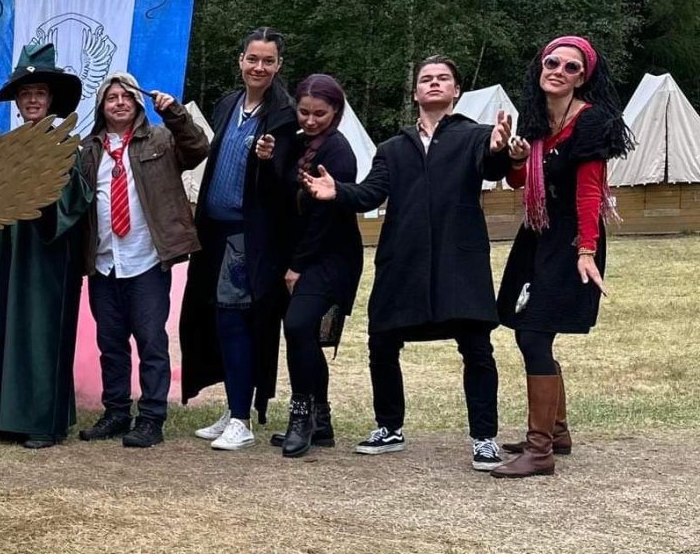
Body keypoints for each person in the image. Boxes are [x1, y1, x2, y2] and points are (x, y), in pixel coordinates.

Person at [302, 55, 516, 471]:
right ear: (416, 92)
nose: (434, 83)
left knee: (476, 348)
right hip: (403, 259)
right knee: (381, 341)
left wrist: (499, 149)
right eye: (426, 79)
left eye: (443, 78)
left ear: (455, 90)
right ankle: (389, 427)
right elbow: (370, 193)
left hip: (459, 261)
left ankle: (484, 438)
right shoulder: (392, 148)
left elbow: (493, 166)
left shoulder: (476, 136)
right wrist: (337, 191)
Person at [492, 36, 632, 478]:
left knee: (534, 335)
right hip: (537, 231)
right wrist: (516, 159)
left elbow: (591, 191)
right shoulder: (535, 119)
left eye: (571, 67)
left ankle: (540, 451)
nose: (558, 70)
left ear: (583, 78)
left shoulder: (591, 122)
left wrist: (586, 251)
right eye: (552, 62)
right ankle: (556, 431)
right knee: (526, 331)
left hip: (570, 236)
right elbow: (520, 182)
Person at [75, 70, 210, 450]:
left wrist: (175, 113)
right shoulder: (88, 150)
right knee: (110, 343)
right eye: (112, 97)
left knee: (151, 341)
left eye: (127, 97)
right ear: (101, 106)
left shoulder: (162, 139)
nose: (120, 103)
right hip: (105, 262)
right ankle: (116, 412)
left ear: (138, 104)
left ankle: (151, 417)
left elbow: (198, 148)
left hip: (147, 259)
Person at [180, 27, 300, 450]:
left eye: (268, 61)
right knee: (215, 320)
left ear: (279, 65)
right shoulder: (228, 104)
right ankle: (233, 405)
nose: (259, 67)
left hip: (248, 236)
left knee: (237, 322)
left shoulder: (284, 114)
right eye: (253, 59)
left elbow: (288, 183)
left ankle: (241, 420)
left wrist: (269, 160)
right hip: (213, 231)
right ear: (240, 60)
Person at [0, 44, 91, 450]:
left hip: (48, 256)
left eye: (39, 92)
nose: (32, 100)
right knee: (10, 328)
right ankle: (8, 416)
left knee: (43, 334)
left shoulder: (66, 147)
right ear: (17, 101)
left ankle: (44, 422)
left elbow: (75, 201)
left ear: (51, 99)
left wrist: (41, 202)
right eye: (25, 93)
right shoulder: (5, 148)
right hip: (12, 254)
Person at [265, 74, 363, 458]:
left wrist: (296, 266)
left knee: (298, 325)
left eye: (319, 113)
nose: (310, 120)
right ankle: (321, 421)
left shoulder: (338, 152)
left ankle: (302, 415)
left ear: (335, 111)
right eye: (304, 112)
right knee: (302, 334)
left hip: (331, 256)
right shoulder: (297, 143)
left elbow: (324, 218)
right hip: (301, 252)